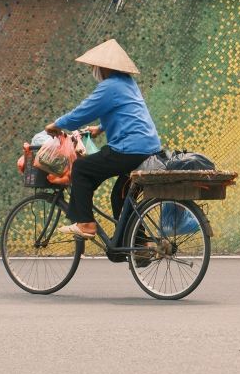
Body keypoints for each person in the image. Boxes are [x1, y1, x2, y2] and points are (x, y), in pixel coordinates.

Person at [46, 38, 162, 239]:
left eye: (94, 67)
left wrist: (57, 124)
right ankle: (140, 245)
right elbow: (127, 113)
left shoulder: (110, 87)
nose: (94, 70)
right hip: (148, 149)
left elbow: (82, 112)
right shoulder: (128, 83)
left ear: (104, 67)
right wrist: (100, 128)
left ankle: (86, 224)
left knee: (81, 169)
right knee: (120, 196)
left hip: (129, 150)